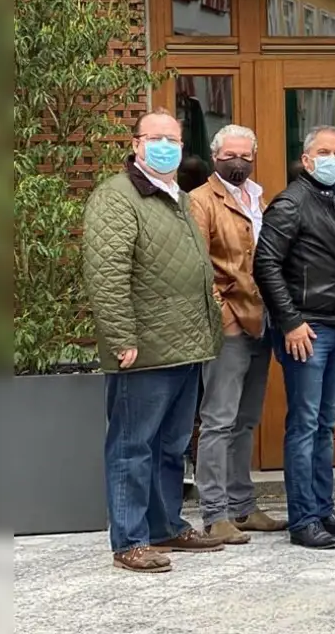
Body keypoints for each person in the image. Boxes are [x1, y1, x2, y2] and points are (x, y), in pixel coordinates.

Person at [83, 108, 225, 573]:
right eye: (156, 138)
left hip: (186, 345)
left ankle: (165, 524)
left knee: (171, 444)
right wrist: (121, 336)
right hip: (142, 350)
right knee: (132, 445)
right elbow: (106, 274)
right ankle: (129, 540)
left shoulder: (177, 196)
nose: (166, 146)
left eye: (174, 140)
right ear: (137, 144)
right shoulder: (117, 197)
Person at [255, 125, 335, 549]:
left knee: (325, 424)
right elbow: (265, 264)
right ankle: (303, 518)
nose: (333, 158)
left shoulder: (332, 201)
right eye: (324, 151)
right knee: (304, 425)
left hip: (334, 325)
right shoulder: (290, 203)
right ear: (306, 160)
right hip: (305, 330)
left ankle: (323, 509)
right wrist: (289, 320)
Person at [188, 124, 287, 545]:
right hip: (228, 324)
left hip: (261, 320)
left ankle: (243, 507)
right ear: (215, 157)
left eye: (245, 155)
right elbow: (196, 266)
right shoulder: (199, 201)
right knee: (218, 421)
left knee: (245, 421)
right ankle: (214, 515)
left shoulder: (259, 197)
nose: (238, 162)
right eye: (230, 155)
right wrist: (222, 313)